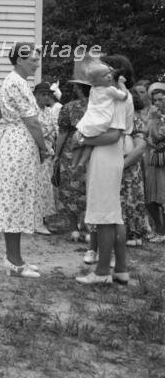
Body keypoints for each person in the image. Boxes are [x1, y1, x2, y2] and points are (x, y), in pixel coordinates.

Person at [0, 42, 47, 278]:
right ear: (20, 60)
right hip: (17, 144)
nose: (37, 63)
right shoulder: (15, 82)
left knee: (19, 200)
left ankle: (17, 258)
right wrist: (44, 147)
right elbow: (32, 121)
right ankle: (13, 261)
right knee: (13, 200)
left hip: (20, 143)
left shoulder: (20, 82)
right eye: (33, 59)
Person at [75, 54, 135, 285]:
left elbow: (113, 134)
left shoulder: (117, 98)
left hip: (106, 157)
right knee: (113, 214)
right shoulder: (115, 96)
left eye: (109, 69)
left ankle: (101, 273)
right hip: (109, 157)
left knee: (104, 216)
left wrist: (81, 141)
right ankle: (120, 269)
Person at [52, 77, 91, 242]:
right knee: (89, 189)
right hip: (93, 150)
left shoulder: (69, 107)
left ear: (79, 89)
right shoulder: (100, 106)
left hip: (71, 151)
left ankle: (74, 229)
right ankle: (89, 229)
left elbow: (62, 133)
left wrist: (56, 154)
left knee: (70, 189)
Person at [72, 60, 129, 172]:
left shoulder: (93, 89)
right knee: (90, 142)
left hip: (89, 120)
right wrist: (122, 84)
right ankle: (82, 162)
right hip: (102, 120)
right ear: (96, 81)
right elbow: (124, 96)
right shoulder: (110, 90)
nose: (109, 76)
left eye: (109, 74)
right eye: (105, 75)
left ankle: (74, 163)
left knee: (80, 140)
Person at [120, 87, 149, 246]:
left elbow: (140, 146)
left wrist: (123, 165)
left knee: (132, 198)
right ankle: (121, 233)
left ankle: (133, 234)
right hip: (118, 165)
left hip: (129, 167)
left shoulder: (134, 121)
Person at [33, 82, 58, 234]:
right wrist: (46, 131)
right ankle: (35, 221)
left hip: (48, 151)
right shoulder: (31, 111)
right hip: (36, 151)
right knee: (36, 185)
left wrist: (49, 132)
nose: (45, 97)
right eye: (43, 94)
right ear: (35, 95)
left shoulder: (49, 111)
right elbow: (36, 130)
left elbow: (54, 129)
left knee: (45, 186)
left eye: (48, 94)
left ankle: (42, 218)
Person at [144, 82, 165, 242]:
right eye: (155, 100)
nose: (157, 103)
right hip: (152, 159)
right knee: (151, 198)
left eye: (160, 99)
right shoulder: (152, 116)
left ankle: (162, 232)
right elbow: (147, 136)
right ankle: (158, 229)